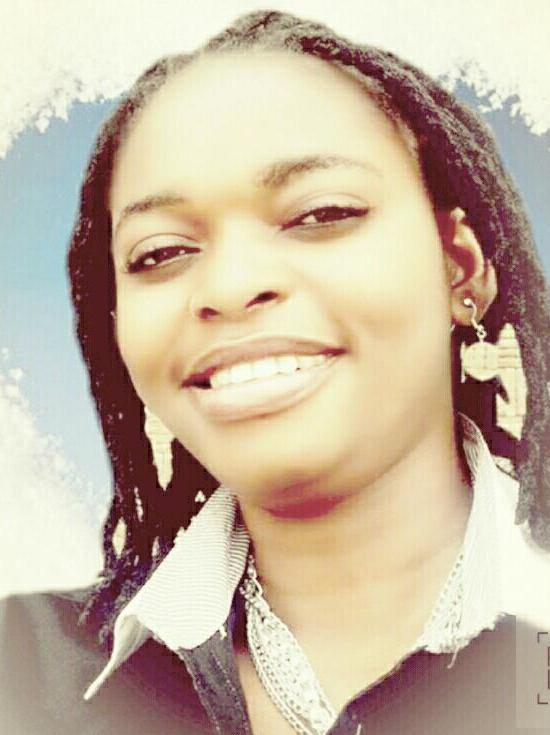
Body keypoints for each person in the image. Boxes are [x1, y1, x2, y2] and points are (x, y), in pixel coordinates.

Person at [2, 9, 550, 735]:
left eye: (320, 213)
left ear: (460, 267)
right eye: (160, 253)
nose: (230, 286)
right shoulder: (23, 670)